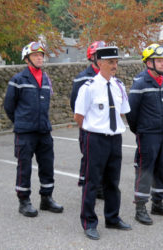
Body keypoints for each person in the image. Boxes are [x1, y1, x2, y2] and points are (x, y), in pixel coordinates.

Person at [74, 46, 131, 240]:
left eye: (116, 62)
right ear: (99, 64)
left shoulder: (119, 86)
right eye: (110, 62)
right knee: (92, 182)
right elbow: (78, 116)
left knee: (113, 182)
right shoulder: (88, 87)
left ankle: (112, 218)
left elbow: (122, 111)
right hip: (96, 139)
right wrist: (94, 129)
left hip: (115, 138)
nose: (115, 66)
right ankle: (89, 222)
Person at [4, 41, 64, 218]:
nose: (40, 58)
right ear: (27, 59)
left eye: (41, 55)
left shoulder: (46, 79)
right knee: (25, 167)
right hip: (25, 132)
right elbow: (9, 106)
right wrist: (21, 122)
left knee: (47, 166)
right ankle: (24, 202)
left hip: (44, 130)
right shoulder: (17, 80)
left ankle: (46, 198)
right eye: (36, 55)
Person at [127, 44, 163, 225]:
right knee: (145, 170)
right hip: (147, 134)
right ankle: (140, 207)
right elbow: (131, 112)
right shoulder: (140, 82)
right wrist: (140, 130)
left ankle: (158, 203)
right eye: (159, 61)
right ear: (148, 63)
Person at [70, 41, 106, 199]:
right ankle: (88, 186)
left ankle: (99, 187)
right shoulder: (82, 78)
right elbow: (75, 104)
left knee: (104, 157)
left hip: (104, 126)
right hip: (89, 127)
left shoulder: (109, 77)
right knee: (89, 158)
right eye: (99, 54)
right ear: (92, 57)